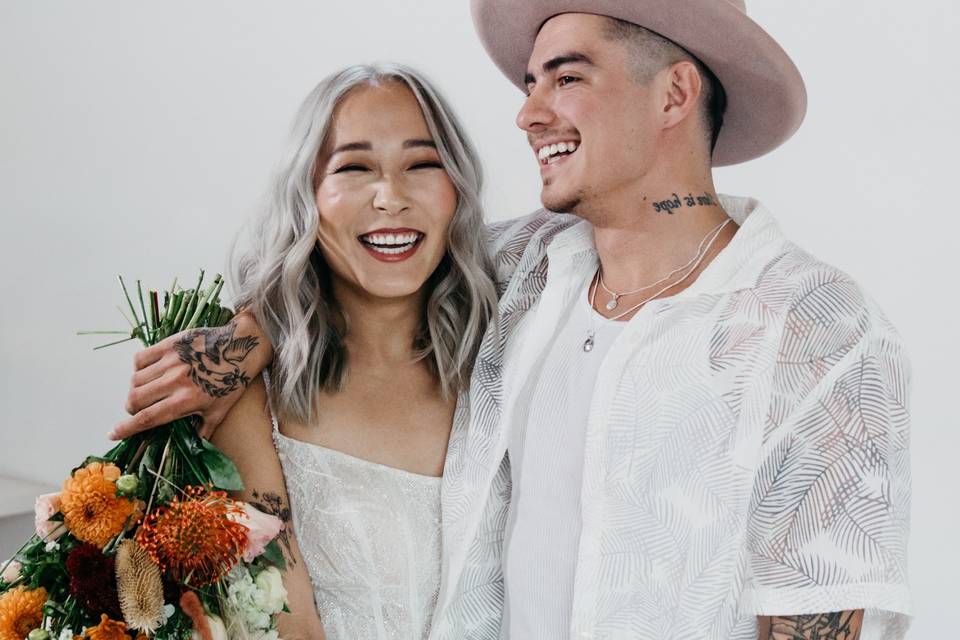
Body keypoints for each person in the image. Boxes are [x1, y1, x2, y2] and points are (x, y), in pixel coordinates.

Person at [119, 2, 912, 639]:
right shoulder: (526, 270)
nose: (528, 114)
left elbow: (822, 610)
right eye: (530, 84)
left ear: (674, 93)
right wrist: (240, 340)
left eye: (564, 78)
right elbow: (363, 256)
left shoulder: (817, 331)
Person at [138, 63, 498, 639]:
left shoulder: (516, 343)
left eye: (423, 164)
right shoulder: (252, 397)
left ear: (458, 186)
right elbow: (288, 625)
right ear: (306, 194)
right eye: (354, 167)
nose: (391, 198)